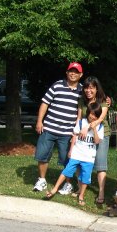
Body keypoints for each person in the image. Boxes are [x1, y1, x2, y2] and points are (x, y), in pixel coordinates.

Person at [33, 62, 83, 192]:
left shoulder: (83, 90)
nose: (73, 74)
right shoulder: (57, 85)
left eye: (76, 72)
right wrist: (39, 121)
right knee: (42, 155)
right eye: (71, 71)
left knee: (67, 158)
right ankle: (42, 180)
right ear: (67, 73)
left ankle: (68, 184)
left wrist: (107, 100)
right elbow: (45, 103)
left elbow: (95, 99)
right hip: (49, 128)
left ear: (81, 75)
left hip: (68, 132)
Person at [45, 102, 104, 206]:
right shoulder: (81, 122)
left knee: (85, 176)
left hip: (89, 157)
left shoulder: (100, 127)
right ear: (88, 112)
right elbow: (74, 137)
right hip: (77, 153)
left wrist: (94, 129)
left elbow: (97, 141)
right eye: (91, 113)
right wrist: (71, 150)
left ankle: (81, 195)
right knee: (67, 171)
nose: (92, 116)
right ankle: (55, 189)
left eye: (95, 115)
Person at [76, 76, 110, 204]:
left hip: (101, 134)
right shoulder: (81, 101)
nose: (88, 90)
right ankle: (80, 189)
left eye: (91, 88)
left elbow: (100, 119)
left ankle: (101, 192)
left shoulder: (103, 100)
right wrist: (77, 131)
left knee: (100, 164)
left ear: (96, 89)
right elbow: (79, 118)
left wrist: (87, 128)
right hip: (84, 135)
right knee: (80, 161)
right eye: (86, 87)